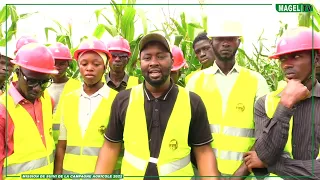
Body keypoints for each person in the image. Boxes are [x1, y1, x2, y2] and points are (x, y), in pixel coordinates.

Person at [94, 33, 220, 180]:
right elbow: (110, 147)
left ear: (172, 61)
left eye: (160, 56)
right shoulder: (123, 100)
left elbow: (203, 151)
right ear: (139, 62)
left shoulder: (193, 102)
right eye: (147, 58)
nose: (154, 62)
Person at [186, 20, 270, 179]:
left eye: (231, 38)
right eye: (219, 39)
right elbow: (187, 132)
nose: (225, 43)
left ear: (239, 41)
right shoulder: (195, 82)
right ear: (212, 42)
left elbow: (265, 133)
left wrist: (238, 175)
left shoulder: (257, 81)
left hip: (246, 174)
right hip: (202, 172)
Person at [243, 27, 320, 179]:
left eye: (296, 56)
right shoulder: (265, 103)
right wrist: (285, 104)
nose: (286, 64)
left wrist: (271, 165)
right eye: (283, 58)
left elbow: (263, 159)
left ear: (316, 59)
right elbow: (265, 153)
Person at [53, 38, 121, 177]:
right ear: (78, 66)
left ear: (106, 66)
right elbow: (62, 145)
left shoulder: (118, 100)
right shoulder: (69, 99)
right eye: (84, 64)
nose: (89, 68)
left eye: (96, 64)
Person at [0, 43, 58, 179]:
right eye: (31, 81)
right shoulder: (3, 111)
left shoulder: (47, 101)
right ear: (18, 73)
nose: (37, 88)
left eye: (44, 82)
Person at [47, 42, 81, 145]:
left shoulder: (78, 86)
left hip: (69, 140)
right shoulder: (41, 87)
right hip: (48, 142)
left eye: (61, 63)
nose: (57, 67)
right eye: (54, 63)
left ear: (68, 64)